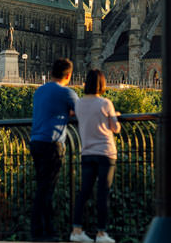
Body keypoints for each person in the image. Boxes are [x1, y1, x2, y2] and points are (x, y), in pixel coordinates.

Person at [69, 70, 121, 243]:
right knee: (102, 194)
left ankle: (76, 230)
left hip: (87, 153)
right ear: (102, 84)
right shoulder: (105, 103)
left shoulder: (79, 104)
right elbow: (115, 128)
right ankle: (101, 233)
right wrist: (116, 117)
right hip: (106, 153)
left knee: (84, 192)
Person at [30, 58, 79, 241]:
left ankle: (44, 230)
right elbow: (81, 112)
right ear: (68, 75)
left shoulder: (39, 91)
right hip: (52, 143)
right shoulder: (67, 93)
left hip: (36, 141)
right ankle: (43, 232)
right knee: (47, 189)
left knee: (43, 188)